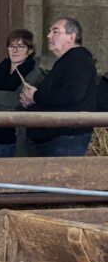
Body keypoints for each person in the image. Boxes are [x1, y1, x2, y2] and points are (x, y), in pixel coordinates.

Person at [19, 17, 98, 157]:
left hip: (65, 138)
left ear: (71, 36)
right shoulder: (66, 61)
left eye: (55, 31)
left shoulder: (79, 60)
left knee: (61, 178)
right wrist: (32, 100)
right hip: (56, 137)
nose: (48, 36)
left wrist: (36, 96)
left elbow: (72, 95)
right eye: (49, 32)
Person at [0, 29, 44, 158]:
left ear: (30, 50)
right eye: (12, 46)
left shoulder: (36, 75)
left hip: (21, 141)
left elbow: (19, 102)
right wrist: (10, 101)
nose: (15, 50)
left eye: (21, 46)